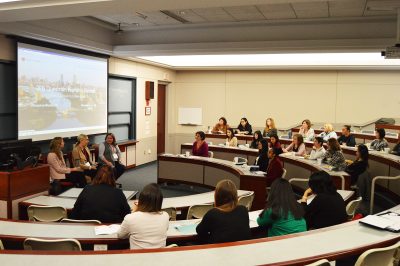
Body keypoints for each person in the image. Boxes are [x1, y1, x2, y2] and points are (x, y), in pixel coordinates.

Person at [196, 180, 250, 244]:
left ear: (217, 196)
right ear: (235, 195)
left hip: (218, 251)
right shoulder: (243, 209)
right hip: (242, 249)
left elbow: (199, 231)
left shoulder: (213, 213)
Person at [118, 183, 169, 249]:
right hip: (159, 257)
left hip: (137, 258)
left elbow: (120, 235)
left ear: (141, 199)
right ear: (160, 201)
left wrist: (134, 212)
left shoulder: (131, 218)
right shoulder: (165, 216)